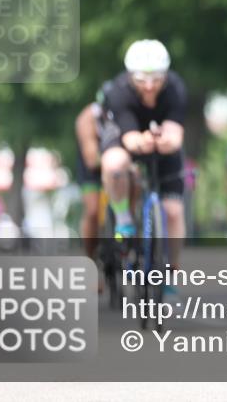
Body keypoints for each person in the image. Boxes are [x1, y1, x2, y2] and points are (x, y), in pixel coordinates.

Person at [100, 40, 189, 282]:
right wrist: (142, 142)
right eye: (141, 80)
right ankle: (124, 219)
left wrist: (165, 142)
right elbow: (129, 139)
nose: (149, 86)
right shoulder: (118, 91)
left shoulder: (175, 89)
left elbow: (175, 134)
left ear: (166, 75)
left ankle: (172, 270)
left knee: (173, 210)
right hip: (127, 136)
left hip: (160, 139)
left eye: (156, 79)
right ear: (130, 76)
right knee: (114, 163)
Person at [74, 81, 118, 261]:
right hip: (92, 167)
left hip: (116, 163)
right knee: (93, 210)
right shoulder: (87, 118)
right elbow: (92, 159)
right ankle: (90, 257)